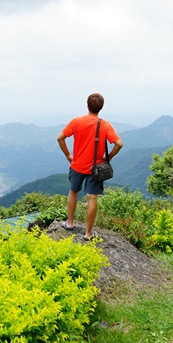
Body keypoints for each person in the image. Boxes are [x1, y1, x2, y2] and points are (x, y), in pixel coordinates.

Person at [57, 93, 123, 241]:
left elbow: (60, 138)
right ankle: (88, 233)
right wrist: (109, 156)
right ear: (101, 107)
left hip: (77, 165)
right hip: (96, 168)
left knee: (73, 191)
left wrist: (68, 155)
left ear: (87, 105)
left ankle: (70, 223)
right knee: (92, 198)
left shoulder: (76, 121)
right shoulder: (104, 125)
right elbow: (119, 144)